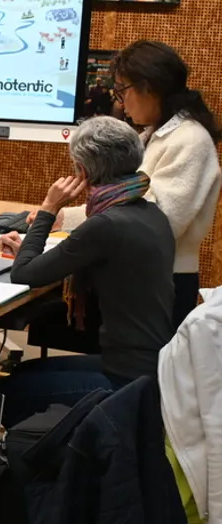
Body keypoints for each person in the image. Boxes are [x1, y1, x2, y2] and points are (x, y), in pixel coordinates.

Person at [0, 116, 175, 427]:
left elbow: (24, 274)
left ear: (82, 170)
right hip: (151, 368)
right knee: (22, 373)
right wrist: (30, 250)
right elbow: (81, 255)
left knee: (7, 391)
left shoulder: (106, 224)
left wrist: (49, 208)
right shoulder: (149, 212)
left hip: (127, 380)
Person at [36, 41, 221, 326]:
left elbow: (154, 223)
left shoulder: (190, 140)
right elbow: (127, 209)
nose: (120, 102)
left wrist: (69, 228)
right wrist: (60, 218)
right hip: (141, 276)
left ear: (149, 88)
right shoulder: (154, 135)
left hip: (161, 282)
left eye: (122, 90)